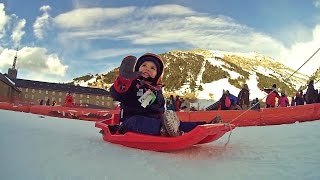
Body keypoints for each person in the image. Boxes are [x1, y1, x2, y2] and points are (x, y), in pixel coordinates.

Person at [108, 53, 222, 137]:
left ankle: (205, 126)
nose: (147, 68)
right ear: (137, 68)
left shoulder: (156, 90)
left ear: (157, 75)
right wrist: (124, 80)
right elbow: (117, 94)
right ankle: (166, 131)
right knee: (138, 122)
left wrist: (163, 117)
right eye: (144, 65)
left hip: (158, 120)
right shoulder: (132, 84)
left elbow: (159, 107)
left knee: (179, 124)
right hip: (131, 120)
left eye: (152, 68)